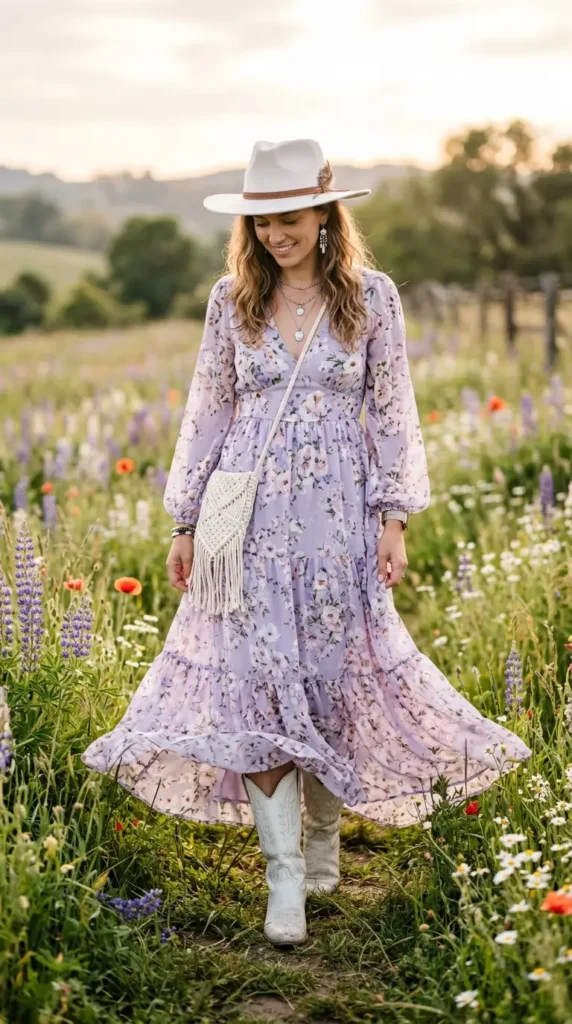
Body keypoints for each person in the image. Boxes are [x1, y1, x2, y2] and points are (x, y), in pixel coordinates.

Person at [81, 138, 532, 947]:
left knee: (331, 675)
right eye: (261, 224)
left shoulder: (372, 296)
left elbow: (394, 410)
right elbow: (207, 412)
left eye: (288, 220)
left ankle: (322, 837)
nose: (275, 237)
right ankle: (282, 871)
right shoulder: (233, 299)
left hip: (338, 516)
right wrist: (186, 523)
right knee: (258, 682)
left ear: (325, 213)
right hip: (244, 519)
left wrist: (394, 518)